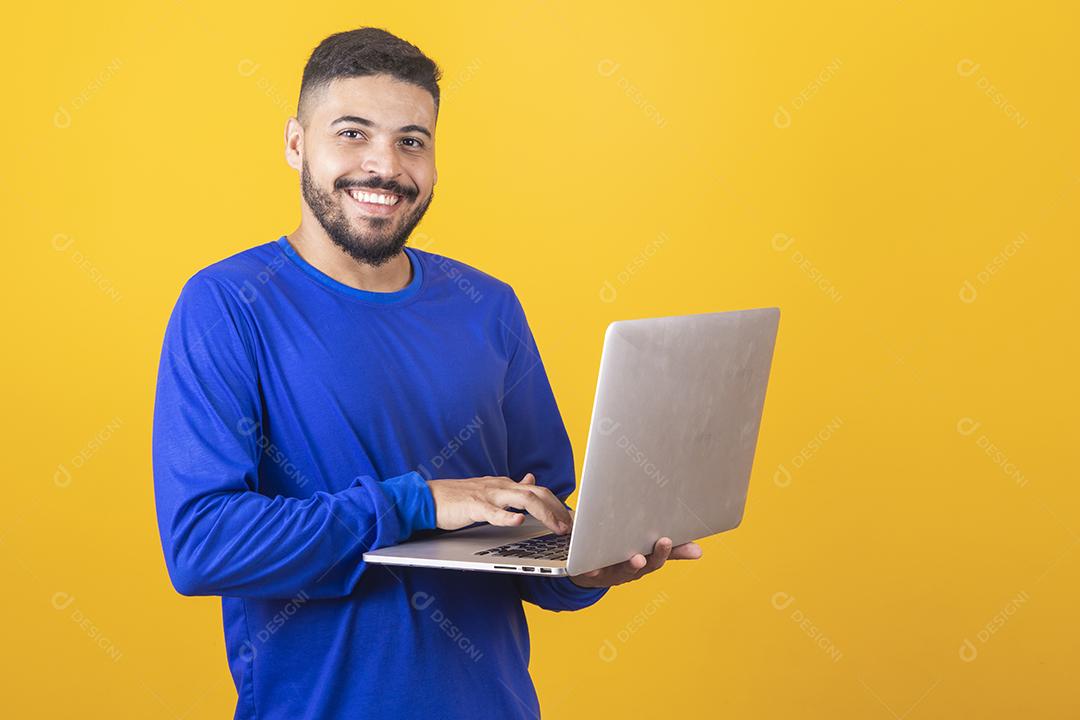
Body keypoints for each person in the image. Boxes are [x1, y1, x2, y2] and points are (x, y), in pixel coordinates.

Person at [151, 26, 702, 720]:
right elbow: (204, 545)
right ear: (295, 144)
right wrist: (416, 503)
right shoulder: (227, 305)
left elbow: (535, 527)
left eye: (412, 141)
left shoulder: (489, 307)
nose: (385, 166)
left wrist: (584, 566)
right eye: (352, 133)